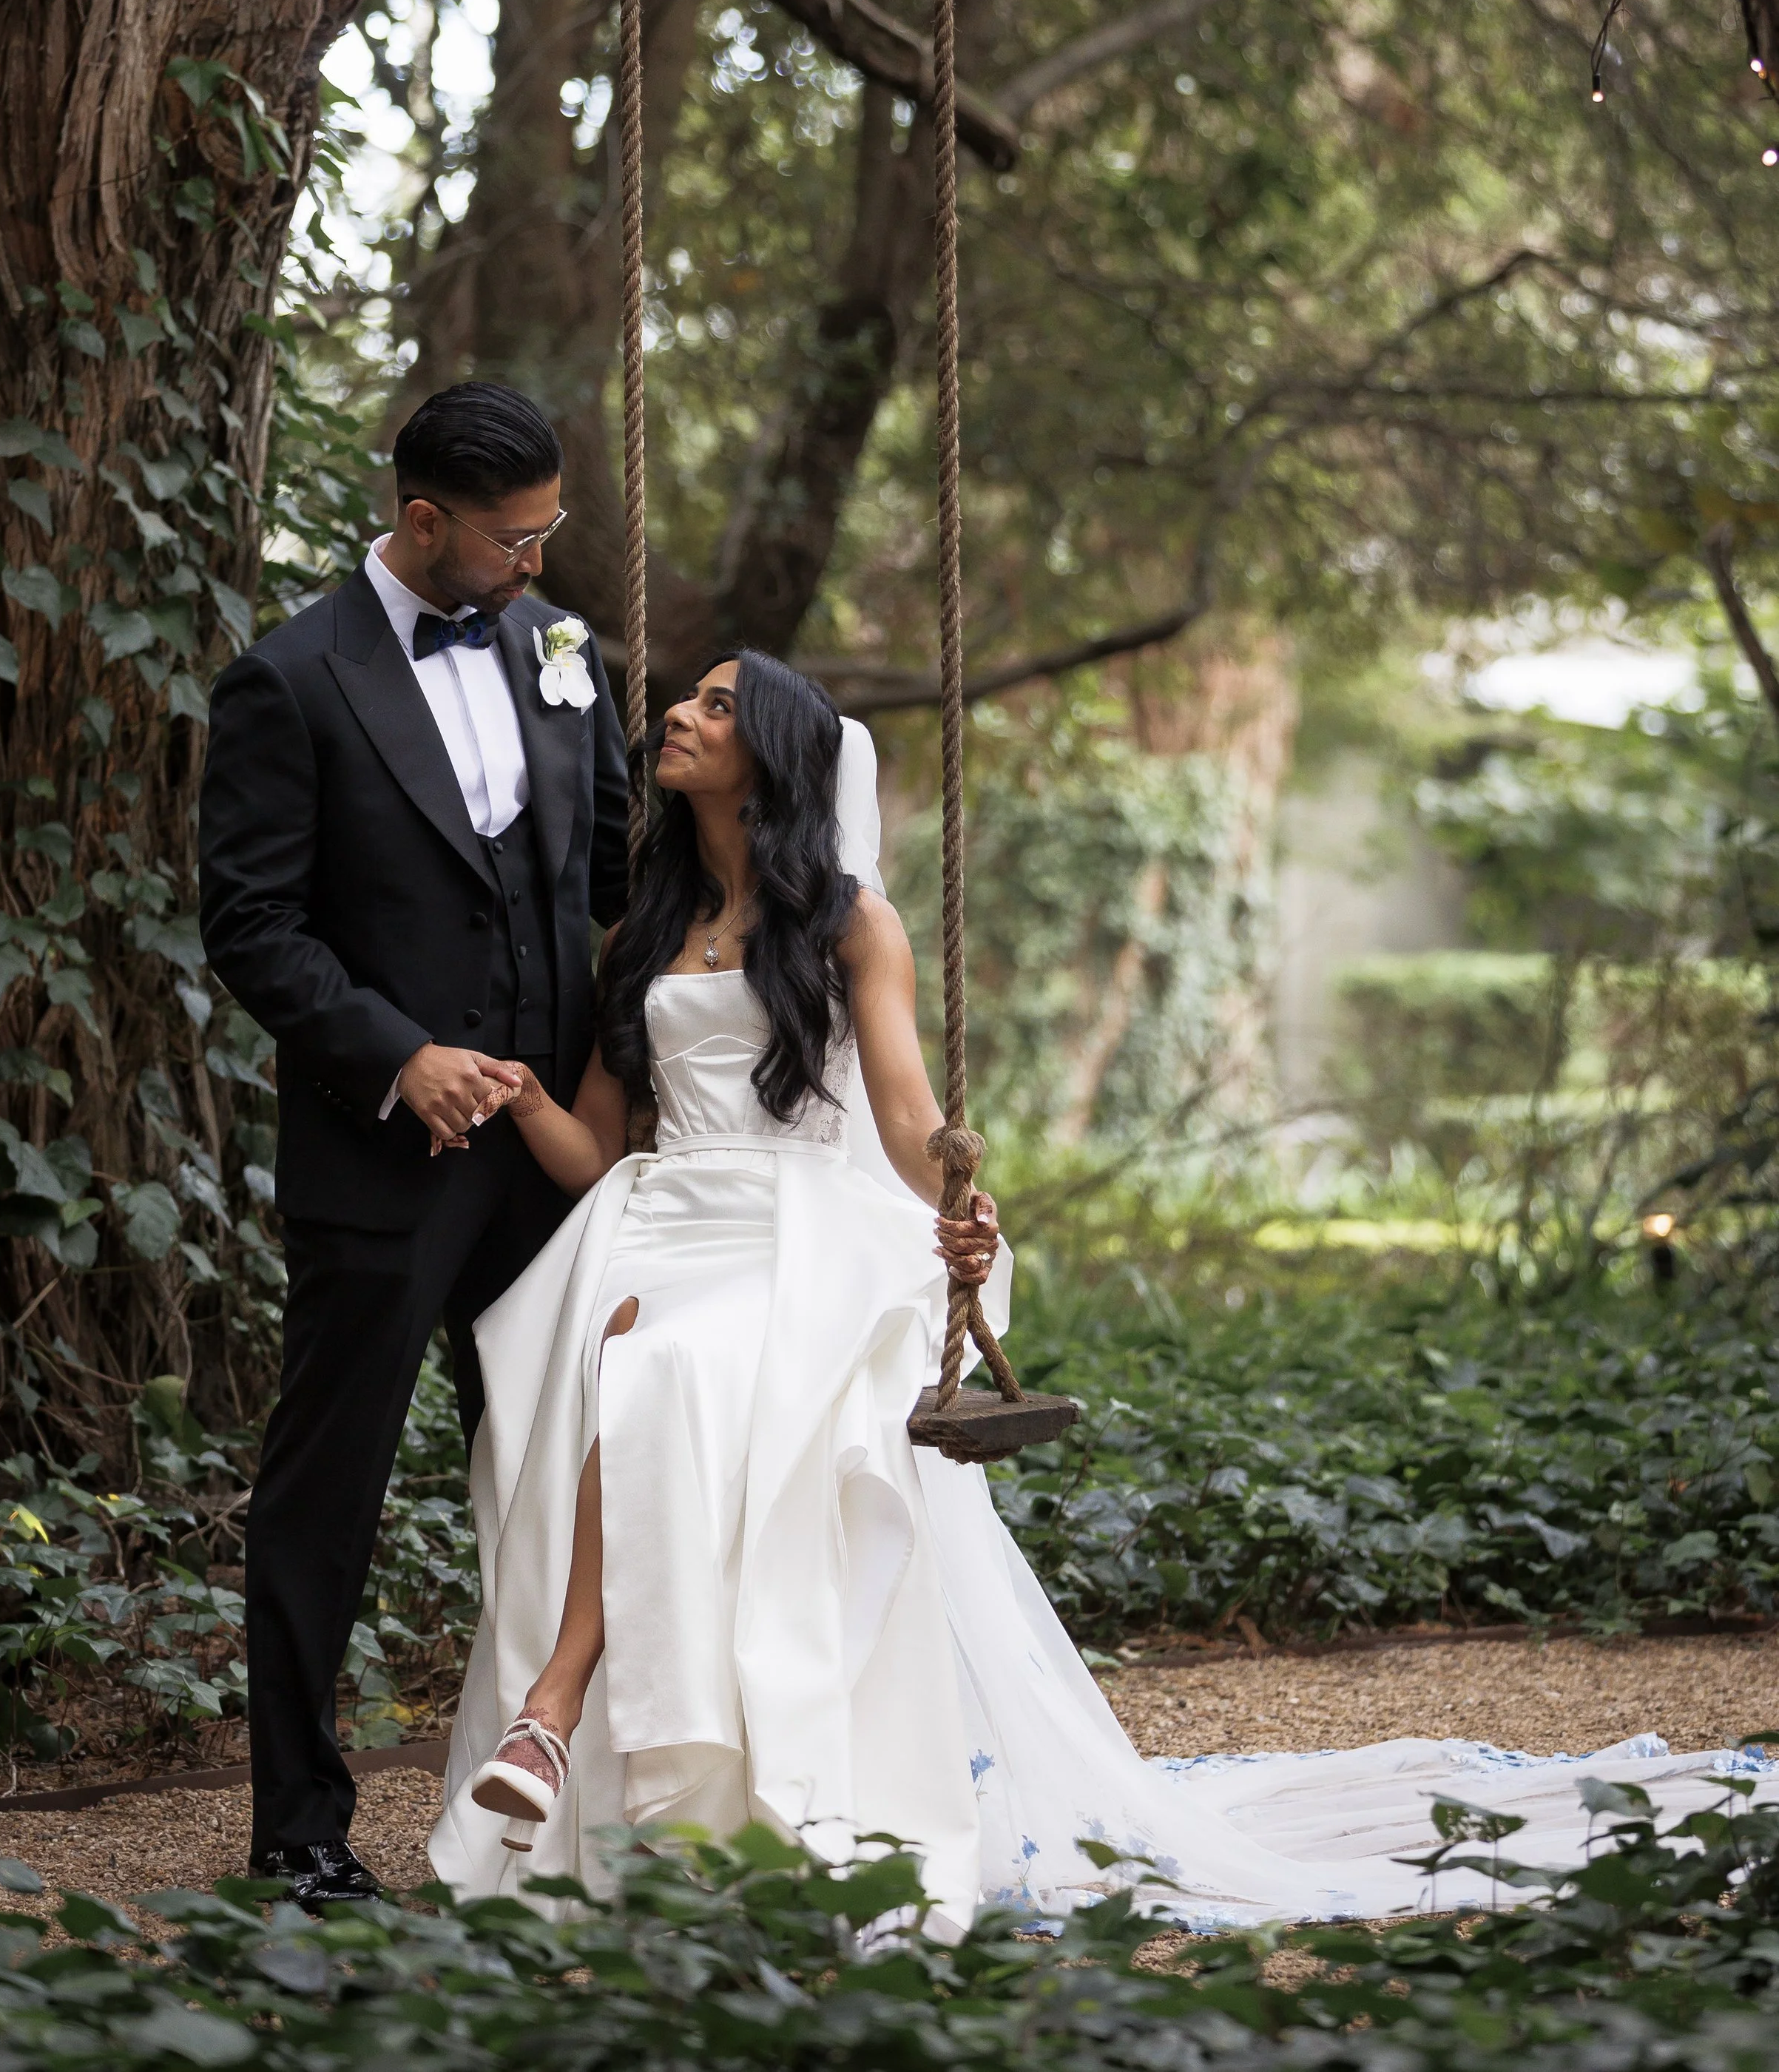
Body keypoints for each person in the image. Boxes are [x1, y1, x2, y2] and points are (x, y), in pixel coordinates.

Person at [431, 652, 1770, 1934]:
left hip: (792, 1228)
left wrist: (957, 1200)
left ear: (769, 755)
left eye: (717, 705)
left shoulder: (847, 922)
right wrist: (526, 1095)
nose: (677, 711)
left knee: (667, 1364)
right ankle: (617, 1798)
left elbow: (904, 1113)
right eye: (690, 696)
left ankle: (556, 1708)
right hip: (657, 1216)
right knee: (603, 1360)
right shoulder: (644, 928)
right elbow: (603, 1147)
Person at [200, 380, 628, 1910]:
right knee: (332, 1488)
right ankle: (300, 1829)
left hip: (559, 1160)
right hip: (384, 1165)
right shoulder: (288, 681)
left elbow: (620, 861)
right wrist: (402, 1057)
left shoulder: (562, 648)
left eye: (551, 531)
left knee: (580, 1474)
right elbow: (249, 925)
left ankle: (573, 1805)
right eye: (514, 538)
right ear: (423, 519)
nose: (536, 561)